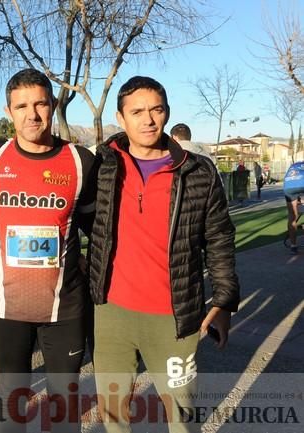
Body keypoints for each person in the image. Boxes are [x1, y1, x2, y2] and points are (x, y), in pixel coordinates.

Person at [89, 76, 240, 432]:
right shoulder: (103, 165)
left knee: (181, 419)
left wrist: (224, 300)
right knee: (113, 417)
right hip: (111, 314)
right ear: (121, 118)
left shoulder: (198, 171)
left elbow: (219, 237)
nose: (148, 119)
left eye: (156, 110)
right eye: (137, 111)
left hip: (174, 317)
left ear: (167, 113)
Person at [0, 68, 96, 432]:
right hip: (7, 307)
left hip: (66, 308)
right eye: (22, 106)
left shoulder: (80, 161)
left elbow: (97, 230)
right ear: (8, 110)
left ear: (53, 105)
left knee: (64, 412)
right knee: (13, 411)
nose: (32, 114)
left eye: (41, 103)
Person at [283, 161, 304, 255]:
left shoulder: (294, 165)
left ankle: (293, 246)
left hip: (288, 187)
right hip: (301, 185)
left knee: (292, 217)